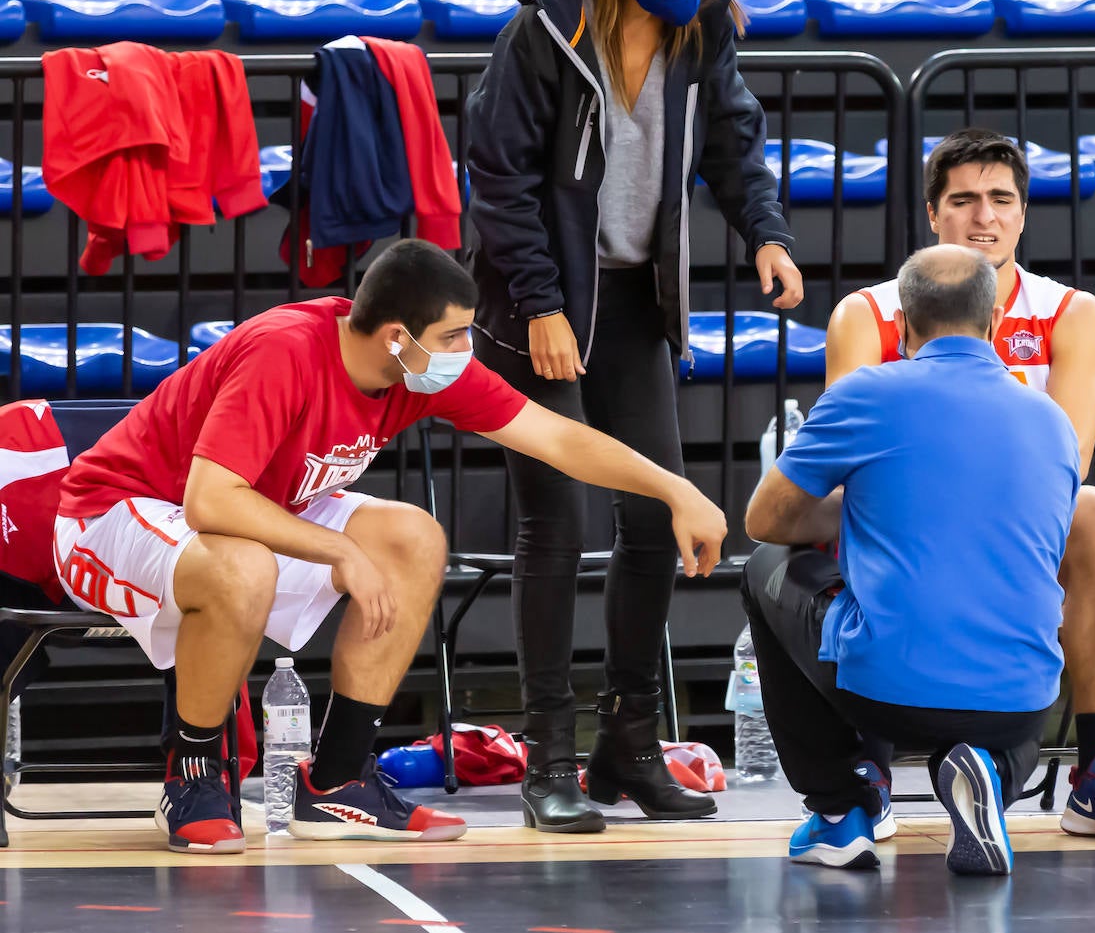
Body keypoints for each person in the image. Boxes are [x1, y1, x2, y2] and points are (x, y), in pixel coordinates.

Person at [52, 239, 727, 855]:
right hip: (112, 512)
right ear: (399, 338)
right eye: (455, 333)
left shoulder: (422, 368)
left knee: (413, 538)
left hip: (234, 515)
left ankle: (338, 779)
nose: (468, 347)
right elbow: (210, 499)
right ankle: (194, 772)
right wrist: (340, 553)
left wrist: (674, 490)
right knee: (244, 564)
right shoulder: (285, 350)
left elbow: (558, 438)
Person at [465, 0, 804, 834]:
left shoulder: (704, 27)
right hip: (538, 303)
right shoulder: (548, 29)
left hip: (633, 302)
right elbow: (497, 175)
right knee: (556, 523)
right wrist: (537, 303)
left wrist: (766, 233)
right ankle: (549, 757)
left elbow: (736, 140)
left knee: (656, 518)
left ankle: (629, 740)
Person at [824, 128, 1095, 842]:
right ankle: (867, 771)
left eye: (1000, 199)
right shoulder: (867, 312)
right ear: (932, 215)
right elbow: (847, 459)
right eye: (963, 200)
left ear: (1021, 214)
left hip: (1015, 524)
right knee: (844, 510)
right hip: (901, 519)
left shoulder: (1069, 312)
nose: (983, 216)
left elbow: (1065, 461)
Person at [743, 245, 1079, 871]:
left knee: (765, 565)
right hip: (1021, 697)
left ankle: (841, 812)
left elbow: (765, 519)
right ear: (999, 321)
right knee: (1013, 703)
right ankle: (993, 775)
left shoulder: (868, 392)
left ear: (899, 327)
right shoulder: (1051, 419)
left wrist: (870, 505)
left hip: (887, 695)